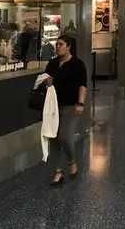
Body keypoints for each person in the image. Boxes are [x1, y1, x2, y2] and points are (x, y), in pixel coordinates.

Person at [38, 34, 88, 186]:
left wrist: (80, 103)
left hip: (70, 105)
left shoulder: (78, 64)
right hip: (53, 107)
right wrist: (45, 81)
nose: (57, 47)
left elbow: (82, 84)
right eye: (56, 44)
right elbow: (43, 80)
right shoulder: (52, 64)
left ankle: (72, 160)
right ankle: (58, 172)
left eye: (60, 44)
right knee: (54, 137)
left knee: (64, 136)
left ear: (69, 46)